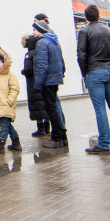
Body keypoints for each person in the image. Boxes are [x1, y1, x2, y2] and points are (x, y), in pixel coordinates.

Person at [77, 5, 110, 154]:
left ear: (86, 17)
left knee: (100, 110)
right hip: (109, 71)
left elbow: (81, 55)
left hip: (94, 72)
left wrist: (85, 73)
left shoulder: (84, 31)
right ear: (98, 16)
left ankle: (104, 144)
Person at [32, 19, 68, 148]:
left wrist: (38, 84)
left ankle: (57, 138)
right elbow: (61, 62)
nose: (33, 32)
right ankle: (62, 136)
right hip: (55, 79)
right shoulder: (54, 41)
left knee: (51, 110)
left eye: (34, 30)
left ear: (40, 30)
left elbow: (42, 66)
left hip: (47, 81)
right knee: (54, 109)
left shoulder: (42, 43)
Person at [0, 49, 21, 153]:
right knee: (7, 126)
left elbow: (15, 89)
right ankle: (16, 143)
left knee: (4, 126)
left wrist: (9, 101)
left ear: (4, 63)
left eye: (0, 62)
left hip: (6, 105)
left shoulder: (10, 76)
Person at [20, 34, 50, 137]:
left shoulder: (28, 55)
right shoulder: (40, 52)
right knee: (44, 105)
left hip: (32, 83)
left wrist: (23, 72)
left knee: (36, 105)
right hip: (42, 82)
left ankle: (40, 129)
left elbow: (28, 69)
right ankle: (47, 129)